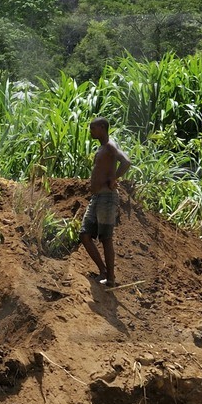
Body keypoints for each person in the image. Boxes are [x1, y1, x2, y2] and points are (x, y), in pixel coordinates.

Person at [79, 116, 131, 286]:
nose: (91, 131)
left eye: (93, 128)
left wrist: (113, 178)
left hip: (106, 198)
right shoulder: (103, 148)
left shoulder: (110, 146)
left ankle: (110, 278)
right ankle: (103, 270)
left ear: (102, 127)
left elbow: (126, 161)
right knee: (85, 235)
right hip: (97, 198)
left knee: (106, 238)